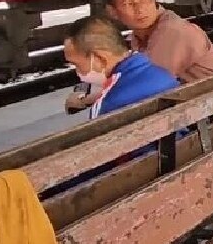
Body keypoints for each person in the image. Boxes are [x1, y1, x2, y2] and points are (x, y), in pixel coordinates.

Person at [55, 16, 180, 193]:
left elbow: (95, 163)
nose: (77, 73)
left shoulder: (109, 104)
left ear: (99, 58)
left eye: (76, 65)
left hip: (142, 186)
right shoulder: (160, 75)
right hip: (175, 167)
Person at [98, 0, 213, 88]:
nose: (140, 9)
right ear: (112, 11)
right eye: (129, 4)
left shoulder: (173, 31)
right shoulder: (139, 34)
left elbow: (145, 85)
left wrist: (87, 100)